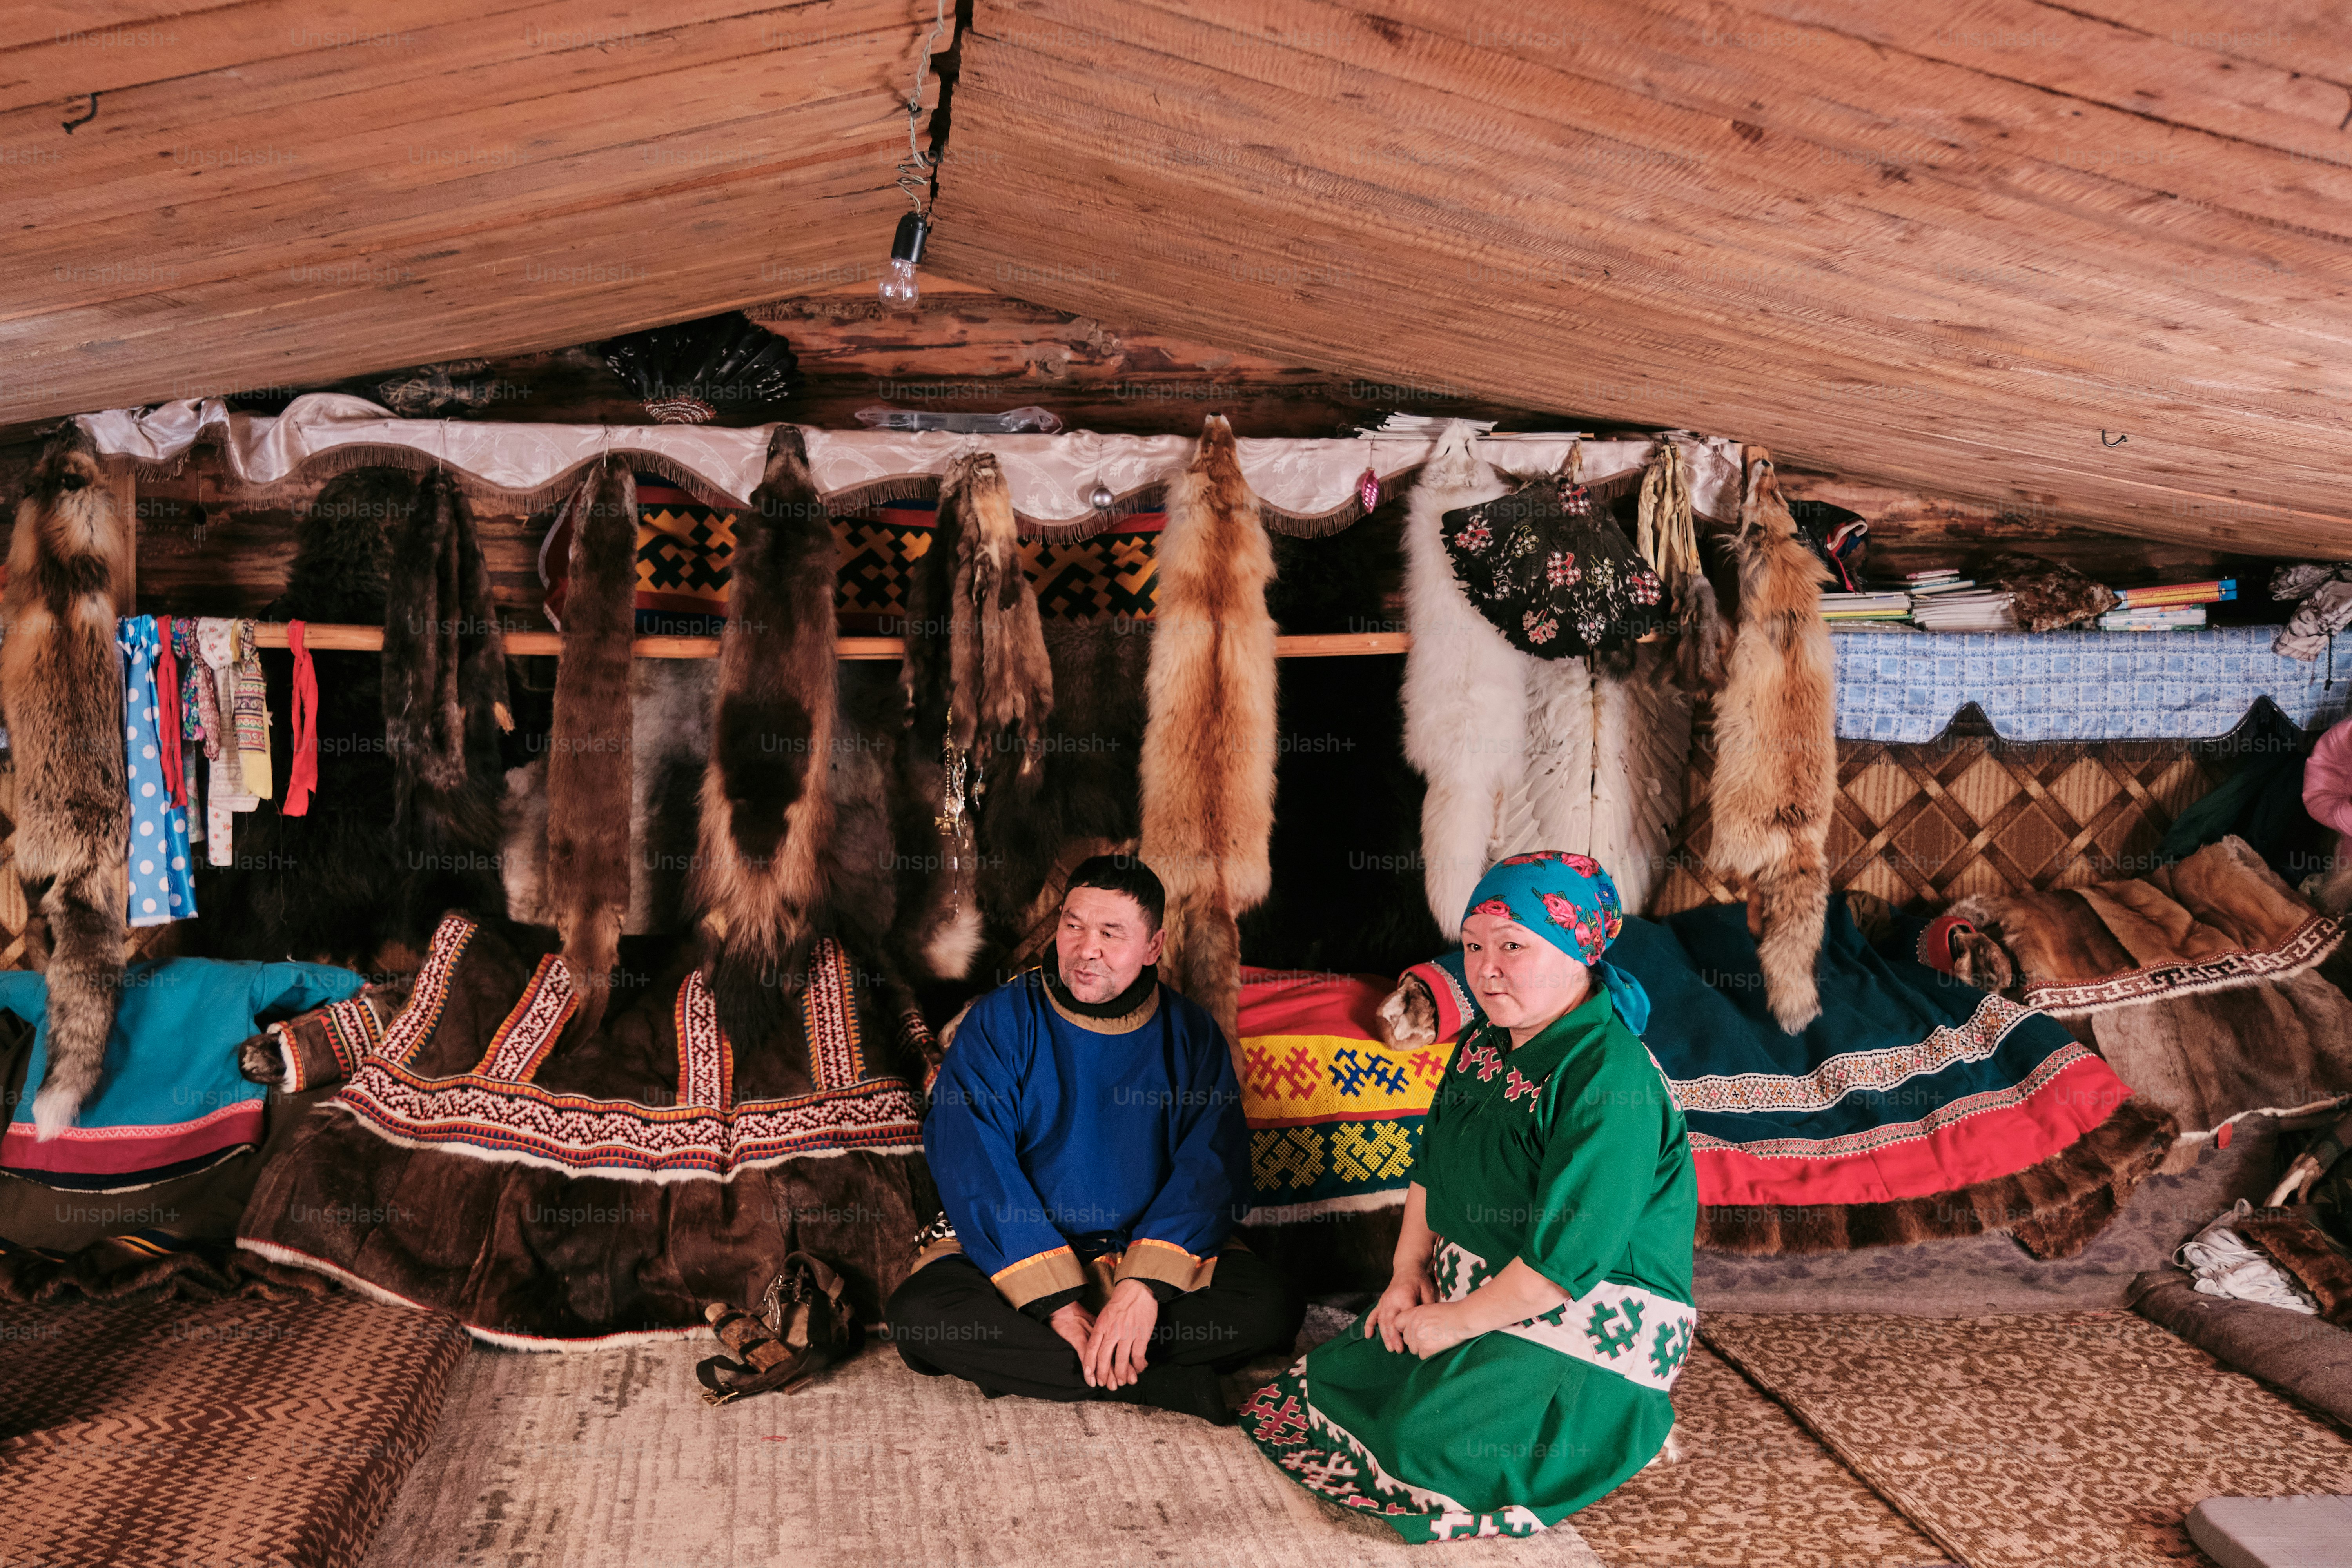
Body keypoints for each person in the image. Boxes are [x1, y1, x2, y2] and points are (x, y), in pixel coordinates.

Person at [1242, 851, 1697, 1543]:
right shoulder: (1487, 1043)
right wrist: (1405, 1276)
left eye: (1513, 947)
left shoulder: (1611, 1083)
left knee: (1423, 1445)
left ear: (1578, 951)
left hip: (1586, 1320)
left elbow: (1559, 1268)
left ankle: (1617, 1424)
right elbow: (1431, 1165)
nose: (1485, 970)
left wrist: (1455, 1325)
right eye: (1474, 946)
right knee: (1333, 1381)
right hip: (1480, 1287)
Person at [887, 855, 1302, 1422]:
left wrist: (1142, 1290)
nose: (1087, 949)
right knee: (922, 1315)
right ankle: (1154, 1385)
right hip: (1019, 1253)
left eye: (1112, 933)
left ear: (1153, 946)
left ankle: (1060, 1364)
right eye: (1074, 925)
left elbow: (1211, 1168)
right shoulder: (1002, 1021)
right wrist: (1057, 1301)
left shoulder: (1192, 1033)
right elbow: (973, 1161)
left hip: (1144, 1250)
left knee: (1269, 1307)